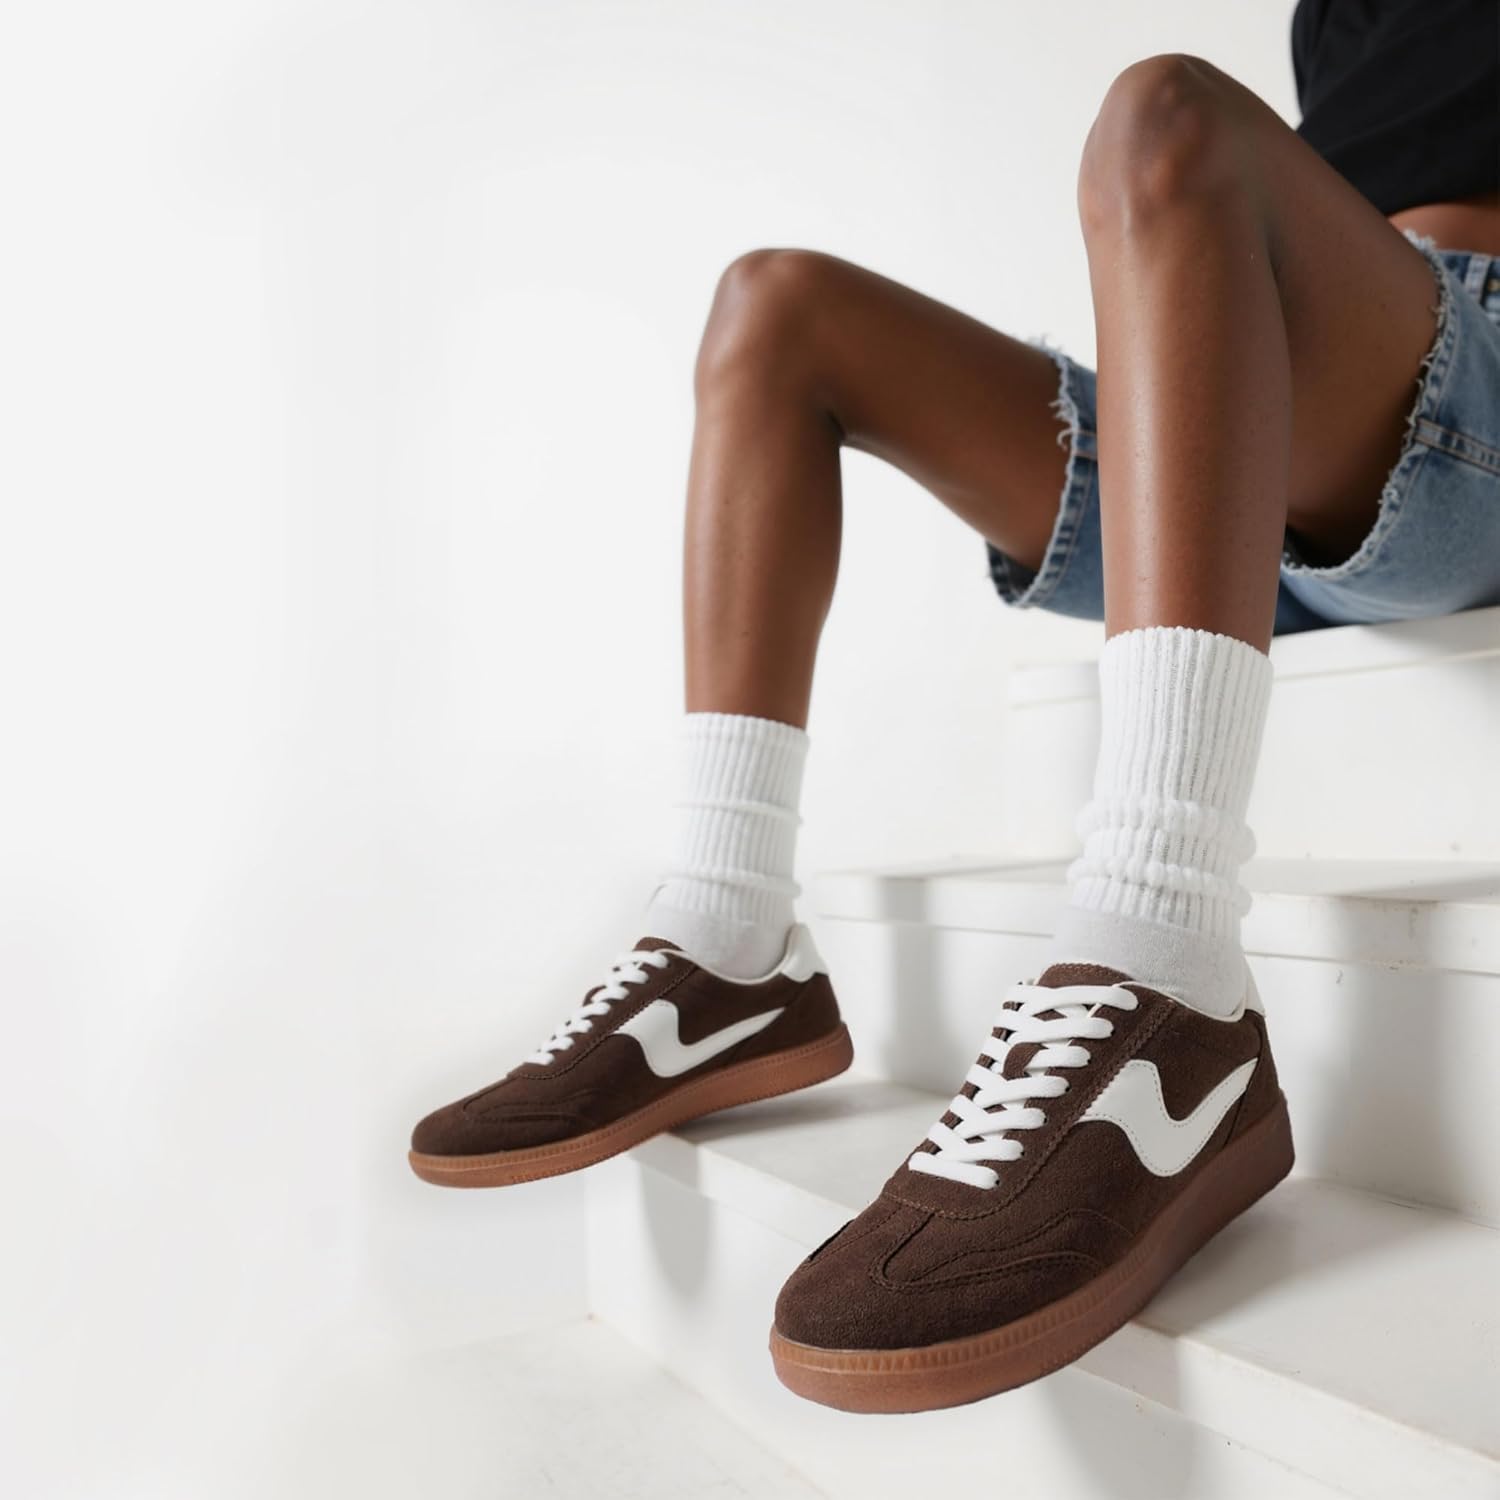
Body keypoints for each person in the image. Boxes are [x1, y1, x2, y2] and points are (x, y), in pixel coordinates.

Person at [409, 0, 1500, 1411]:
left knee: (1166, 121)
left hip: (1467, 414)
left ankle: (1165, 968)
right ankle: (729, 945)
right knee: (772, 304)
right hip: (1276, 432)